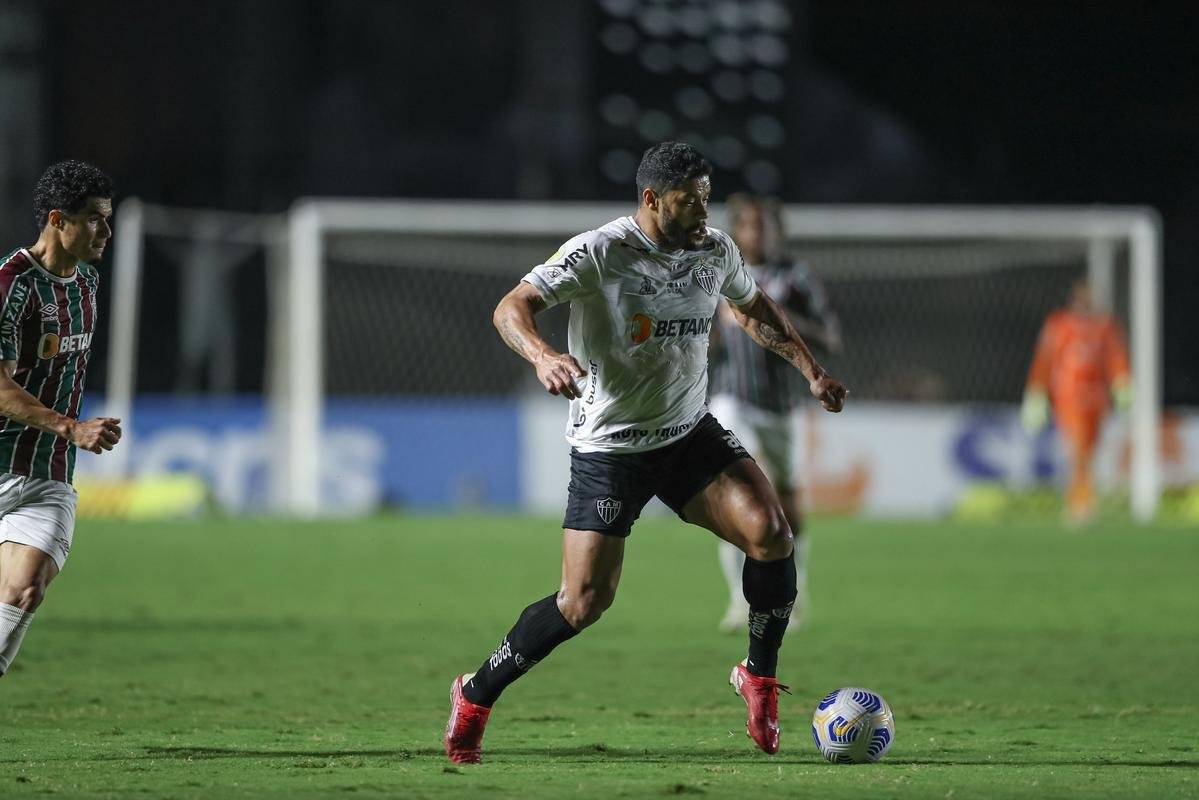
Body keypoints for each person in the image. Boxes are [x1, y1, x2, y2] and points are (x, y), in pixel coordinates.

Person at [444, 142, 848, 763]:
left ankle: (758, 676)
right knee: (582, 603)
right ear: (653, 199)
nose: (701, 215)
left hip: (688, 432)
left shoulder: (714, 250)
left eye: (706, 201)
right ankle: (475, 693)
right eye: (690, 203)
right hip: (610, 447)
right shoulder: (601, 251)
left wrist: (810, 370)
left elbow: (753, 307)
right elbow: (511, 307)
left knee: (771, 533)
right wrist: (544, 355)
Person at [0, 161, 123, 678]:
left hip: (47, 472)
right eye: (94, 219)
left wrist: (68, 438)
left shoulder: (87, 284)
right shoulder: (12, 284)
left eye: (107, 218)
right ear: (58, 220)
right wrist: (72, 427)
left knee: (25, 591)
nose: (106, 231)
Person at [709, 194, 842, 633]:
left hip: (782, 405)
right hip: (730, 398)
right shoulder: (716, 272)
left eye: (766, 226)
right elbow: (700, 338)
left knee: (785, 499)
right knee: (735, 489)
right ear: (736, 230)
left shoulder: (795, 276)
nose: (758, 233)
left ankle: (795, 593)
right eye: (749, 225)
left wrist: (779, 318)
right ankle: (736, 599)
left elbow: (831, 337)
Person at [1022, 276, 1130, 524]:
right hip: (1068, 396)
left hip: (1096, 398)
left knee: (1089, 451)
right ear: (1074, 297)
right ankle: (1080, 504)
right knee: (1078, 449)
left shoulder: (1105, 326)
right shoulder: (1058, 325)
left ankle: (1082, 500)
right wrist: (1036, 394)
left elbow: (1115, 358)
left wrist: (1122, 384)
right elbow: (1045, 361)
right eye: (1082, 295)